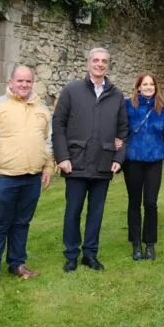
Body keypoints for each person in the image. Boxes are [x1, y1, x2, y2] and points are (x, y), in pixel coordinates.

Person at [0, 65, 53, 289]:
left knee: (22, 223)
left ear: (32, 83)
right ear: (10, 81)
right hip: (3, 178)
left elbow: (48, 141)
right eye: (20, 81)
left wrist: (48, 166)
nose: (24, 85)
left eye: (28, 81)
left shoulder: (42, 109)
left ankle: (17, 263)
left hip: (32, 177)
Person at [53, 47, 128, 272]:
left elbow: (123, 130)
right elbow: (58, 125)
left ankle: (90, 254)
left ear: (108, 65)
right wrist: (62, 156)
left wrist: (119, 157)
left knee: (96, 212)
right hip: (75, 162)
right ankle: (71, 255)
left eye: (104, 61)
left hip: (103, 163)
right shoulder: (71, 90)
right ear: (88, 64)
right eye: (96, 60)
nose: (100, 64)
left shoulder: (116, 95)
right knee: (73, 210)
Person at [123, 72, 164, 261]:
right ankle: (135, 244)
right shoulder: (128, 106)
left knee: (150, 203)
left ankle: (150, 244)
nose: (149, 87)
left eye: (152, 84)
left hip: (154, 160)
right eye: (145, 84)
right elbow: (121, 128)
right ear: (138, 87)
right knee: (134, 202)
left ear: (156, 87)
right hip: (133, 160)